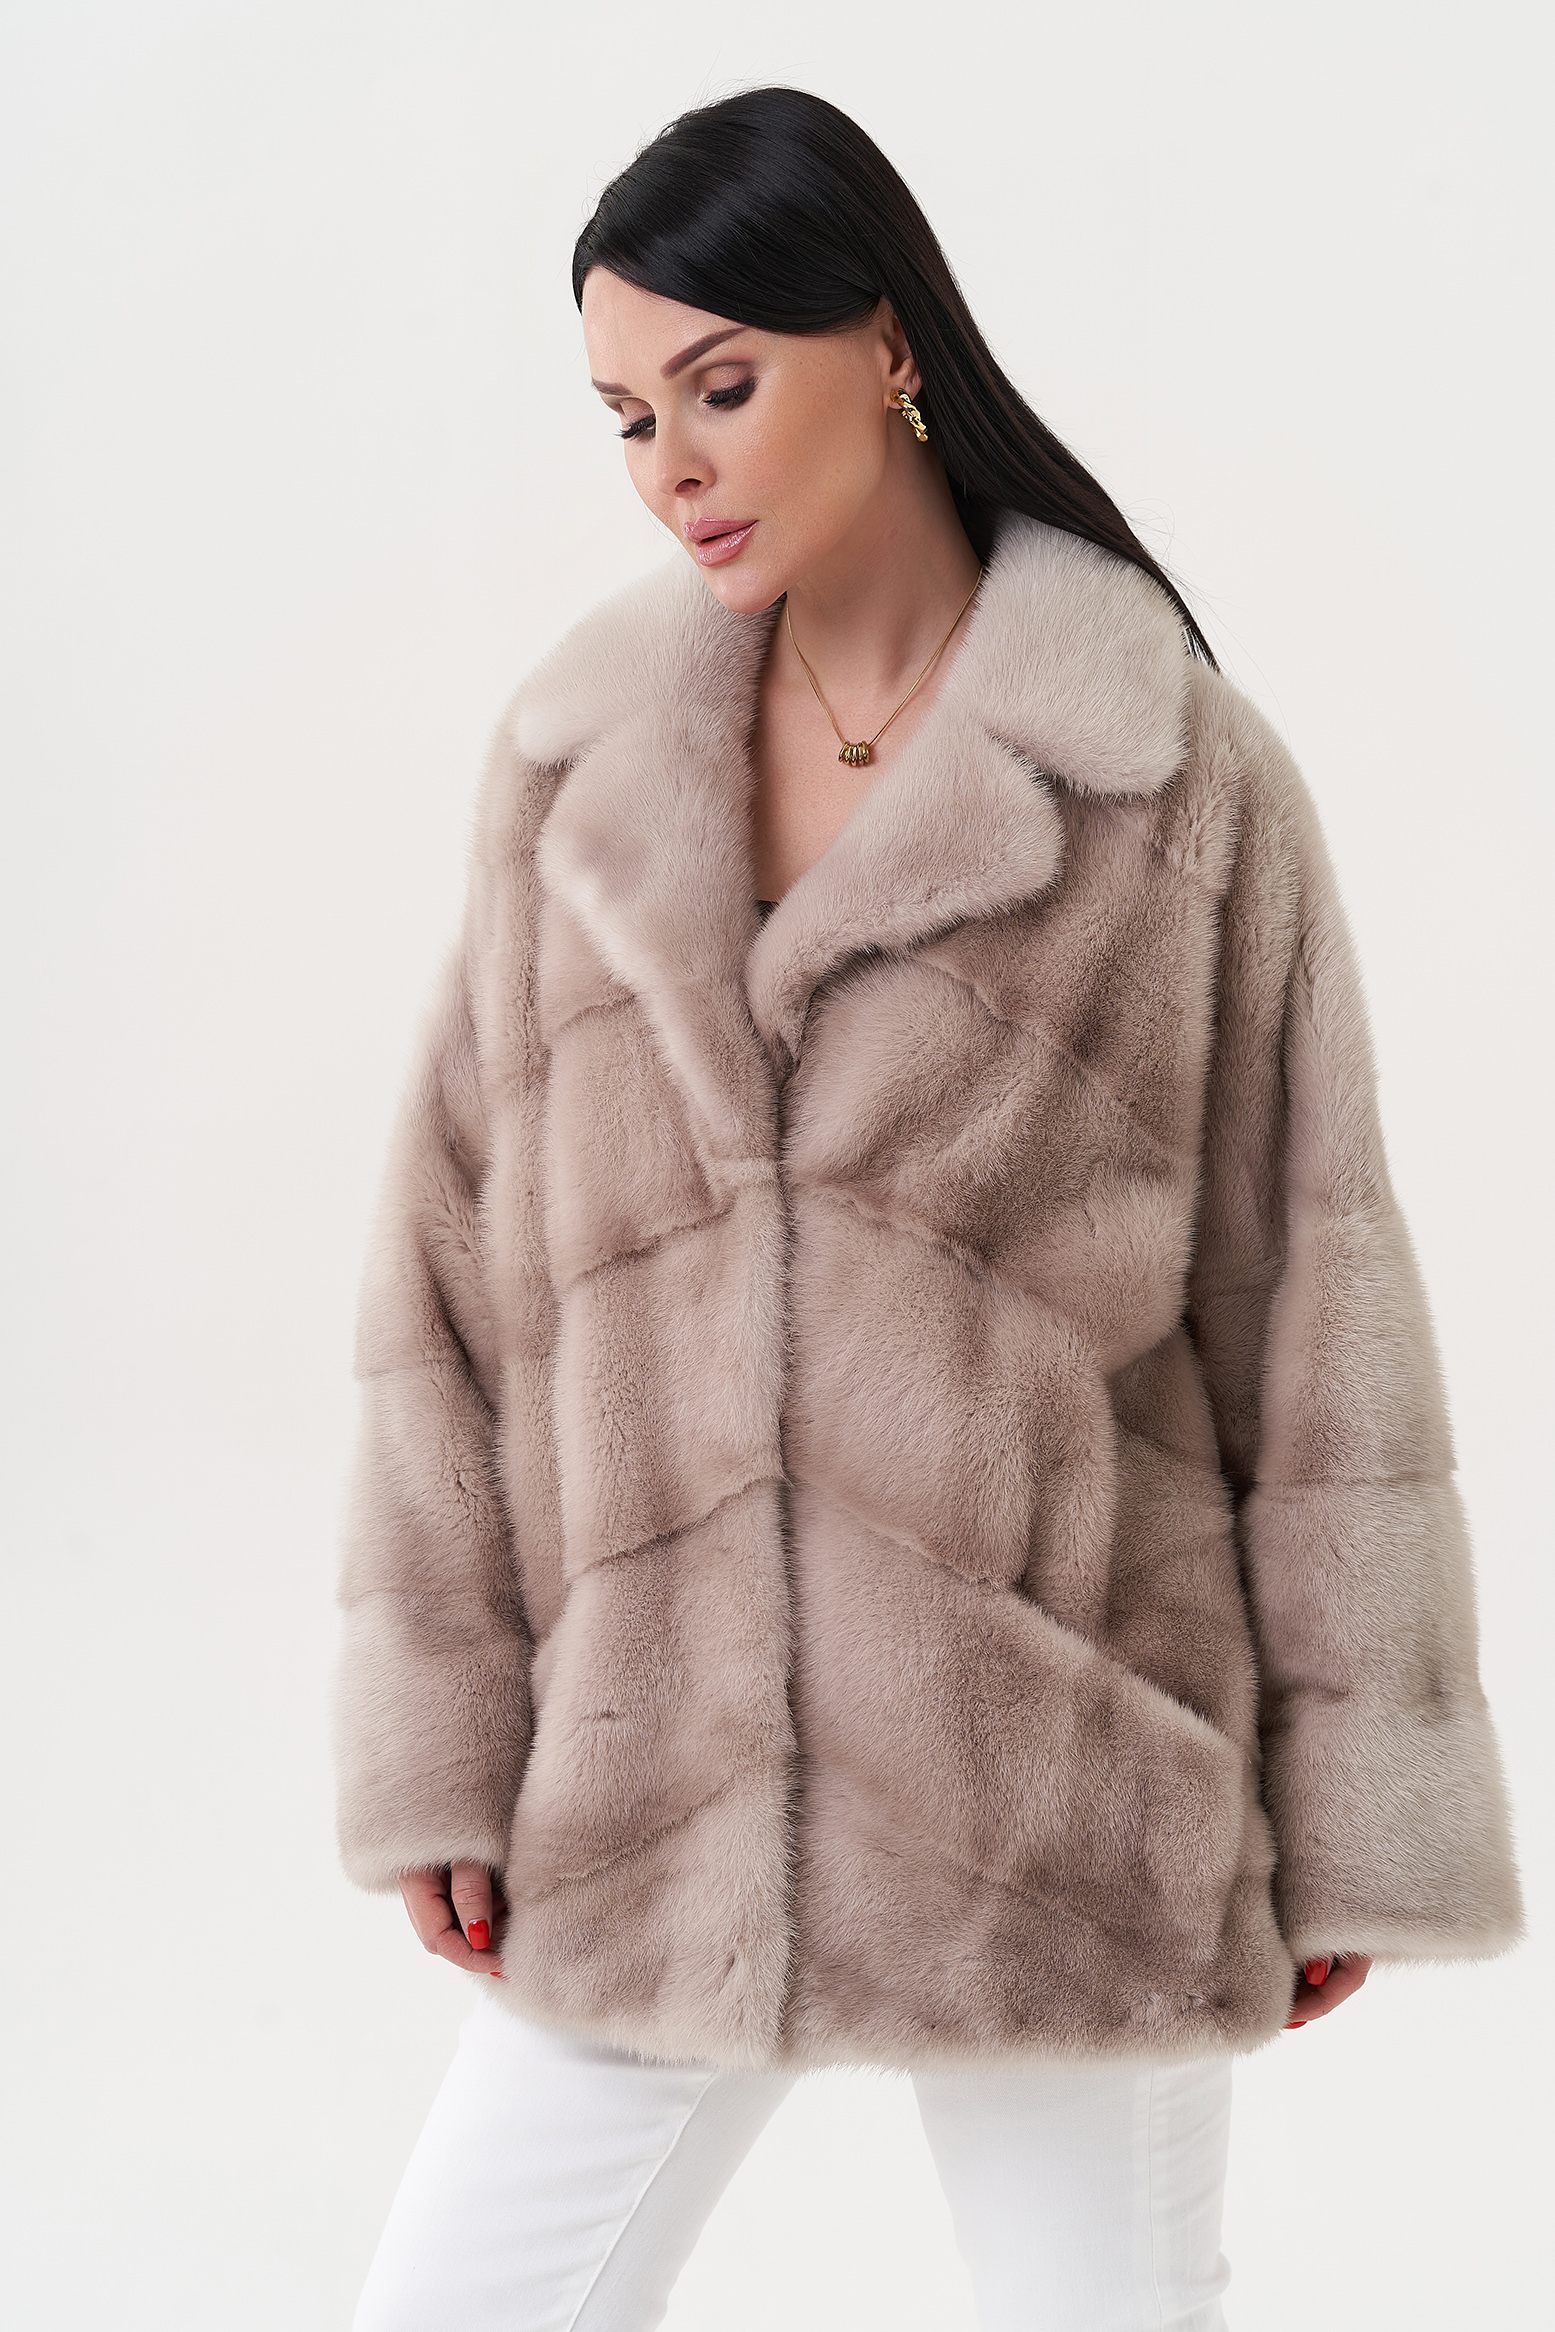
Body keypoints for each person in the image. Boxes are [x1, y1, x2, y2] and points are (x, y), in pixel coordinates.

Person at [334, 85, 1523, 2332]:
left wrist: (1360, 1793)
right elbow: (453, 1277)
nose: (670, 465)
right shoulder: (576, 771)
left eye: (719, 386)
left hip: (1066, 1794)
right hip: (657, 1786)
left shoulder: (1168, 771)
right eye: (625, 416)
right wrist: (443, 1737)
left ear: (886, 343)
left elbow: (1315, 1295)